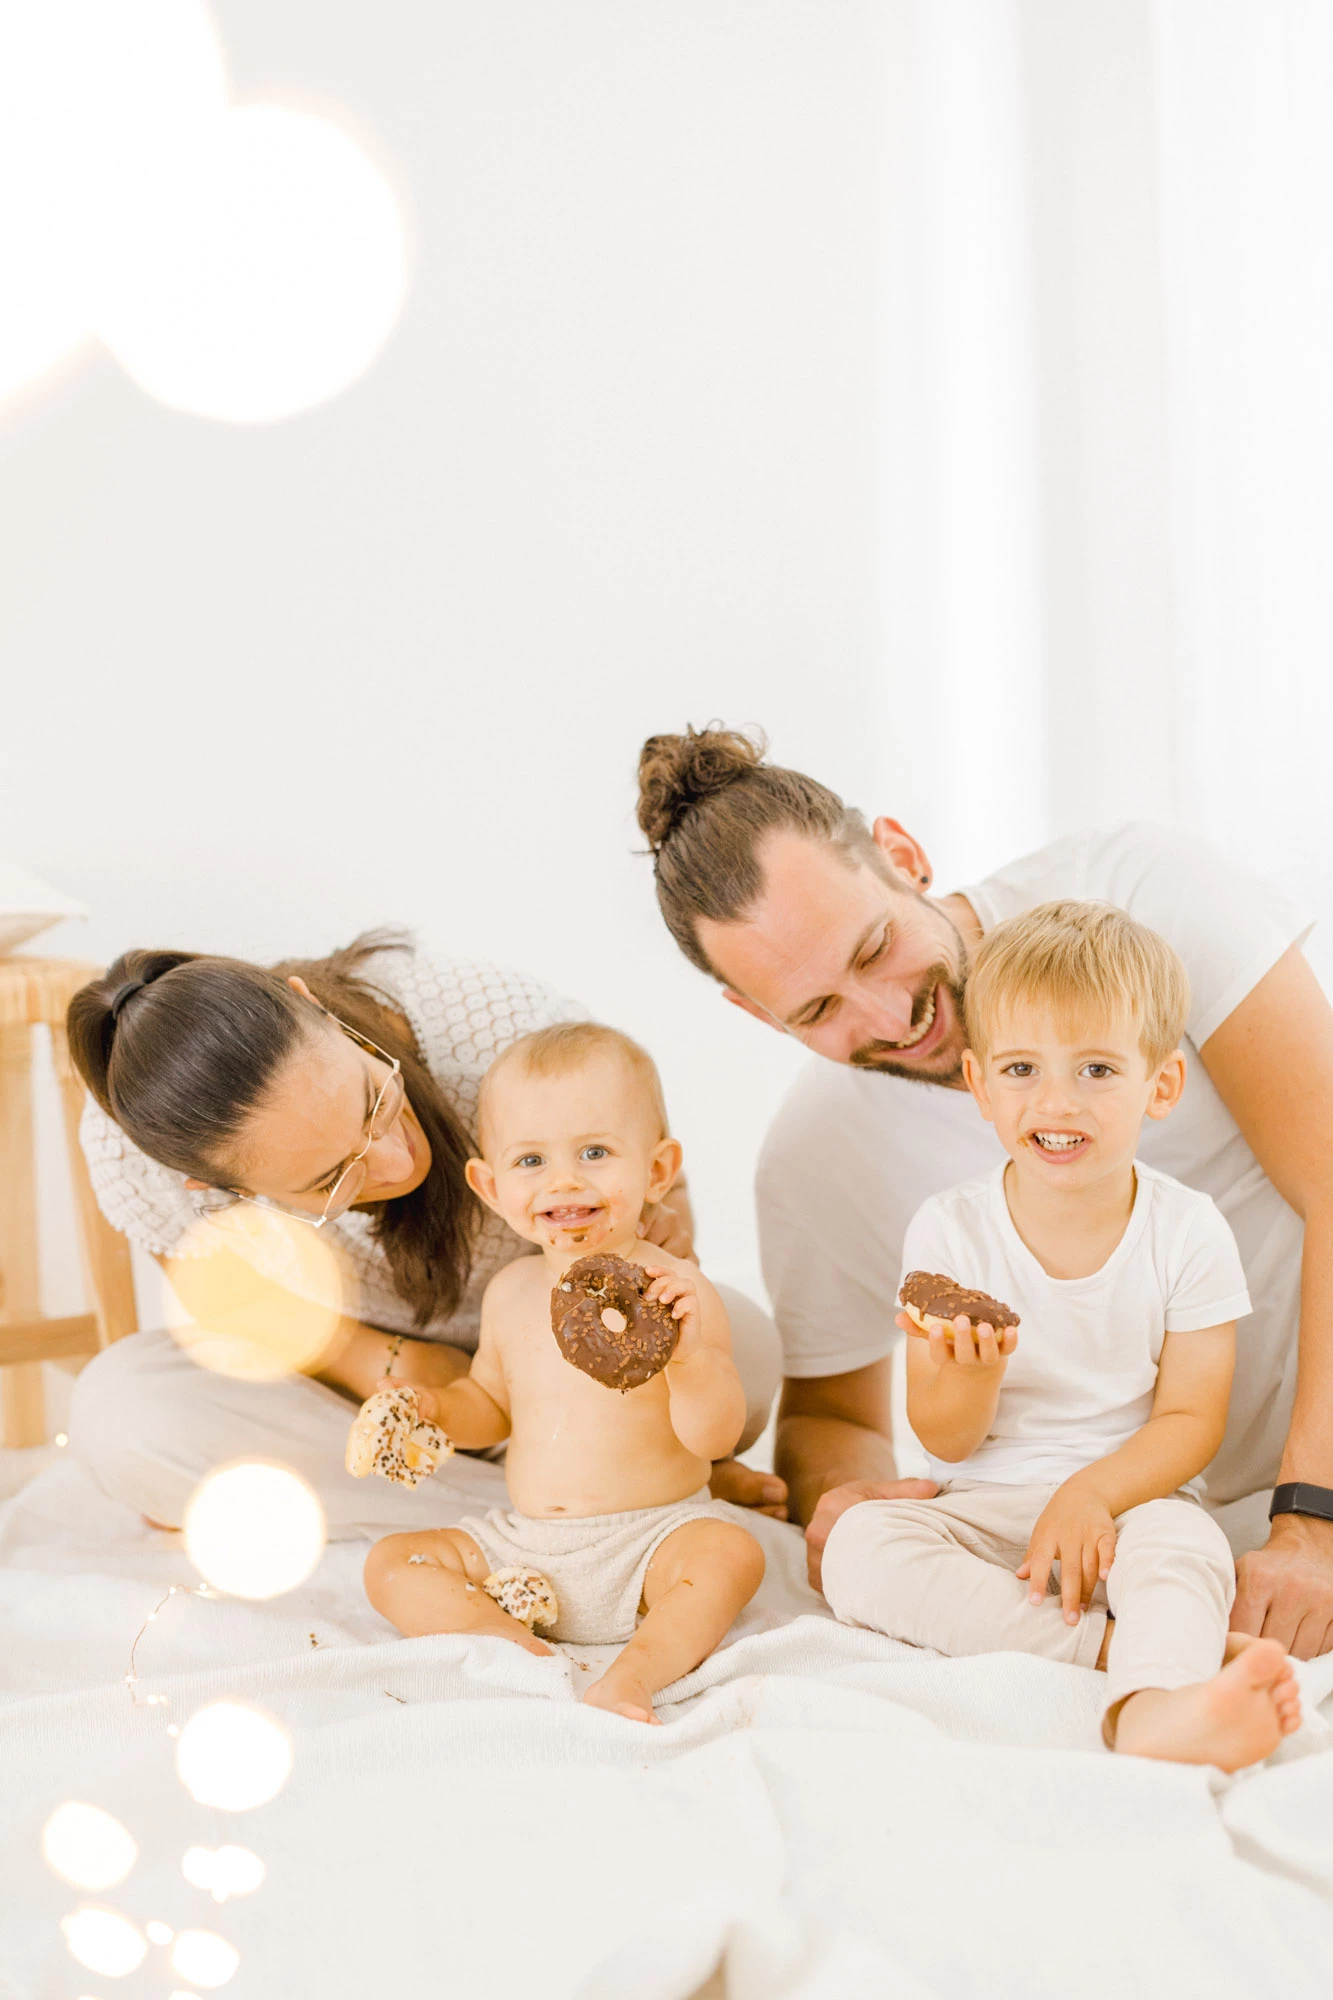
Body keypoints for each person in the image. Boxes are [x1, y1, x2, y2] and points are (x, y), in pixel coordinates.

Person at [636, 725, 1333, 1658]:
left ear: (901, 855)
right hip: (1070, 1524)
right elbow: (832, 1416)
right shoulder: (816, 1159)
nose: (890, 1016)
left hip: (1290, 1482)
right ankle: (1108, 1656)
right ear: (754, 1014)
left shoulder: (1141, 895)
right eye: (816, 1011)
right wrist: (854, 1496)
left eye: (874, 946)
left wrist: (1311, 1523)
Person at [64, 931, 783, 1535]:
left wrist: (652, 1236)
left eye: (374, 1101)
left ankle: (565, 1485)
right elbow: (236, 1306)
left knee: (741, 1351)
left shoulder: (494, 1028)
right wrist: (383, 1371)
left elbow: (647, 1164)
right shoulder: (141, 1161)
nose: (397, 1159)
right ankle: (585, 1501)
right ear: (216, 1188)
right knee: (123, 1412)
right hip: (367, 1379)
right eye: (331, 1177)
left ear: (313, 1006)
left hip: (557, 1358)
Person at [820, 900, 1301, 1766]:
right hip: (983, 1507)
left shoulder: (1186, 1230)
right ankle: (1125, 1658)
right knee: (860, 1551)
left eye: (1095, 1070)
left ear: (1159, 1084)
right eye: (1020, 1068)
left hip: (1131, 1501)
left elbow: (1191, 1424)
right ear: (977, 1083)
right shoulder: (949, 1231)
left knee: (1189, 1547)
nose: (1055, 1100)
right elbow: (942, 1439)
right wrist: (967, 1379)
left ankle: (1151, 1713)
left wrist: (1090, 1496)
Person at [363, 1022, 764, 1723]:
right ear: (489, 1186)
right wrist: (432, 1408)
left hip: (651, 1539)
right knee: (391, 1561)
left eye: (595, 1152)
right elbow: (489, 1403)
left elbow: (714, 1439)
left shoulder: (674, 1291)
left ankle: (633, 1677)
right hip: (523, 1550)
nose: (565, 1179)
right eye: (530, 1162)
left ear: (658, 1171)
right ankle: (512, 1646)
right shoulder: (511, 1292)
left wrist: (690, 1360)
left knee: (729, 1553)